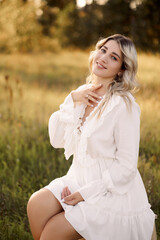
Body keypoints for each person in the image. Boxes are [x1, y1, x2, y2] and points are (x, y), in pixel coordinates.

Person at [27, 34, 156, 240]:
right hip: (78, 178)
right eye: (103, 50)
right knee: (36, 205)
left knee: (52, 233)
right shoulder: (82, 92)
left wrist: (85, 194)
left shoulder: (124, 105)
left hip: (111, 192)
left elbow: (127, 166)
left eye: (114, 57)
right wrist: (72, 100)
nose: (103, 58)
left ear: (122, 69)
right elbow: (56, 139)